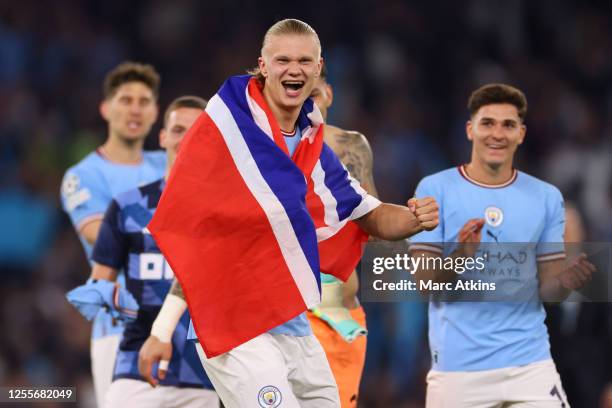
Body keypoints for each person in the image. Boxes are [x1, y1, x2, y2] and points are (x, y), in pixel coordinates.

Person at [144, 19, 439, 408]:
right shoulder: (230, 123)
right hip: (233, 321)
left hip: (293, 318)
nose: (294, 69)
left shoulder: (316, 151)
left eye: (304, 60)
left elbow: (369, 213)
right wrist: (163, 328)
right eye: (282, 59)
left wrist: (414, 217)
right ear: (263, 66)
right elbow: (198, 224)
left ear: (319, 69)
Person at [410, 83, 595, 407]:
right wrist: (461, 256)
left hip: (529, 365)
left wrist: (565, 283)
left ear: (521, 133)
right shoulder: (435, 188)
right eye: (488, 123)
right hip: (459, 372)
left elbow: (549, 290)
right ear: (470, 129)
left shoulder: (546, 197)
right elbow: (424, 283)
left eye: (508, 125)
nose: (497, 133)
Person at [78, 96, 219, 407]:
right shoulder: (128, 206)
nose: (186, 139)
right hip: (135, 364)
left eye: (197, 130)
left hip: (204, 372)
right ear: (163, 137)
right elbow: (101, 283)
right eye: (178, 129)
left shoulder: (225, 211)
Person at [60, 61, 166, 407]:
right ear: (106, 108)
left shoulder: (167, 165)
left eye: (144, 101)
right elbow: (103, 238)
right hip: (119, 329)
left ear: (155, 113)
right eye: (125, 100)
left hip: (174, 326)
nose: (135, 109)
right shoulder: (84, 175)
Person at [306, 64, 376, 407]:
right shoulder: (263, 154)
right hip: (282, 316)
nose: (310, 107)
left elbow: (375, 223)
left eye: (315, 95)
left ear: (329, 94)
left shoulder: (352, 146)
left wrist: (411, 219)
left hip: (340, 318)